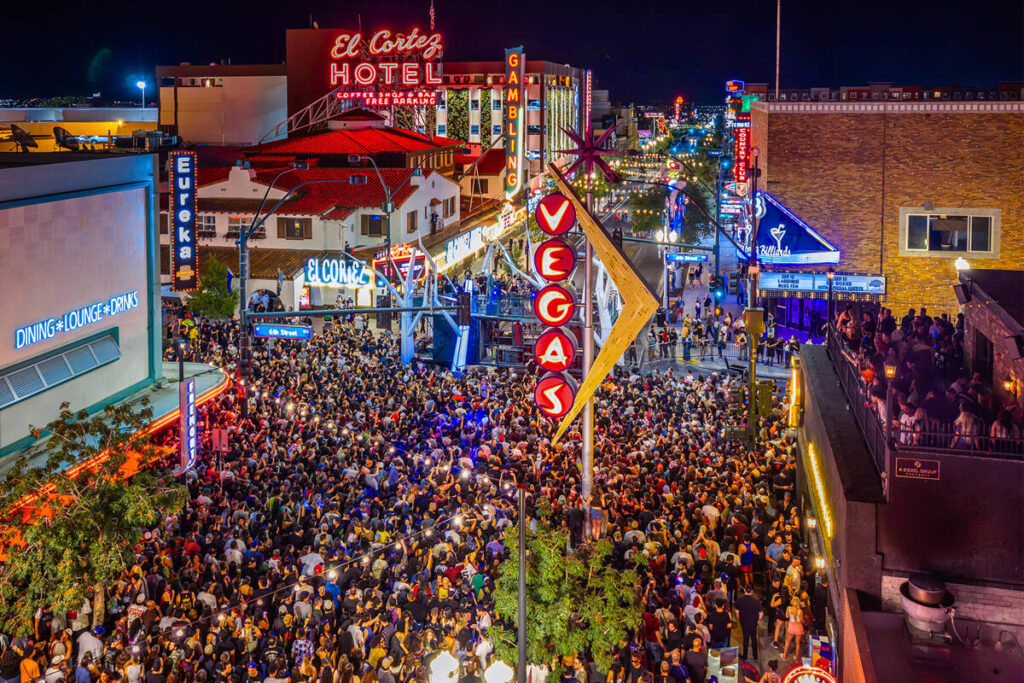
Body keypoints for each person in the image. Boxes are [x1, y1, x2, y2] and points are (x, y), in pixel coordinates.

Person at [734, 586, 763, 662]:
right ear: (752, 591)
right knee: (754, 639)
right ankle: (755, 656)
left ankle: (745, 656)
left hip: (744, 623)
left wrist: (739, 619)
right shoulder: (756, 601)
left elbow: (737, 612)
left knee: (745, 639)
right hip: (753, 623)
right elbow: (761, 613)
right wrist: (758, 620)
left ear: (744, 590)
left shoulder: (739, 600)